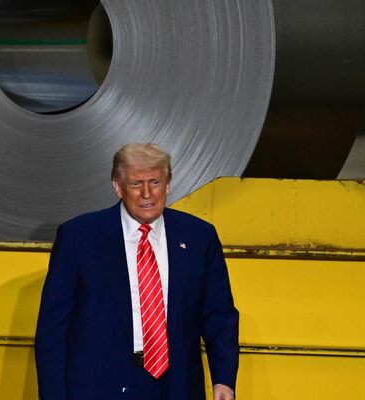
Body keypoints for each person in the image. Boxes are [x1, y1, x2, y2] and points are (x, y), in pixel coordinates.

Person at [35, 143, 239, 399]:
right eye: (135, 184)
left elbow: (219, 315)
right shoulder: (80, 237)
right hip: (98, 385)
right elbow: (53, 327)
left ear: (168, 185)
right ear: (117, 187)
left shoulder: (199, 237)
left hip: (177, 385)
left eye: (154, 182)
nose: (146, 194)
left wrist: (223, 379)